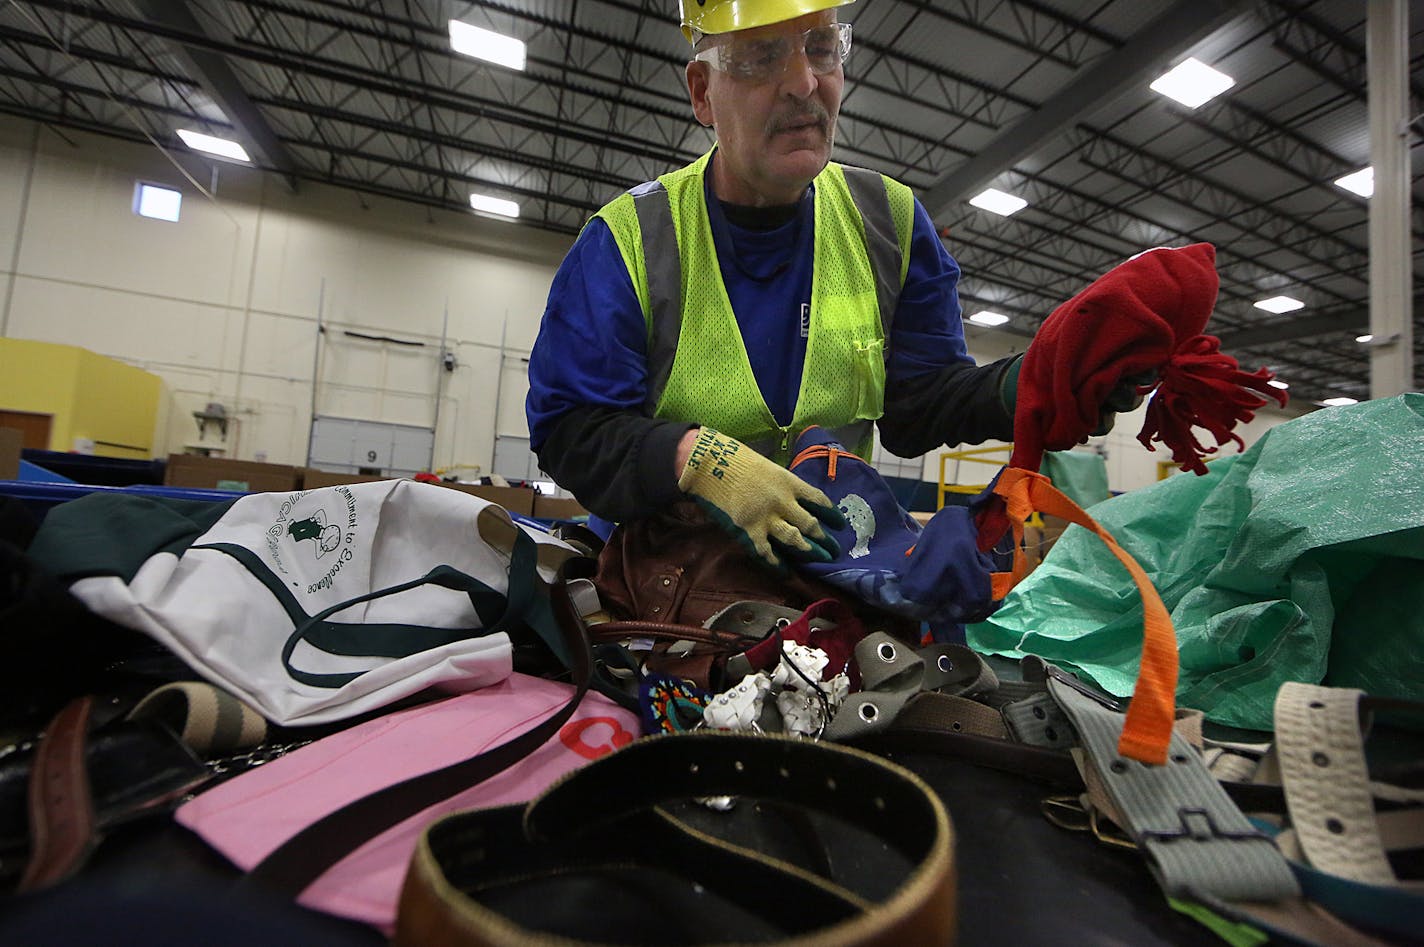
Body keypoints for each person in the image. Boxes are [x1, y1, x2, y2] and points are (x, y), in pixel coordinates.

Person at [525, 0, 1125, 570]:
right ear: (703, 94)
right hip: (660, 581)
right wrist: (699, 462)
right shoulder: (629, 241)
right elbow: (573, 429)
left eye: (820, 48)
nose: (804, 83)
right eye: (761, 56)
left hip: (830, 570)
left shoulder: (889, 223)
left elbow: (919, 406)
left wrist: (1034, 382)